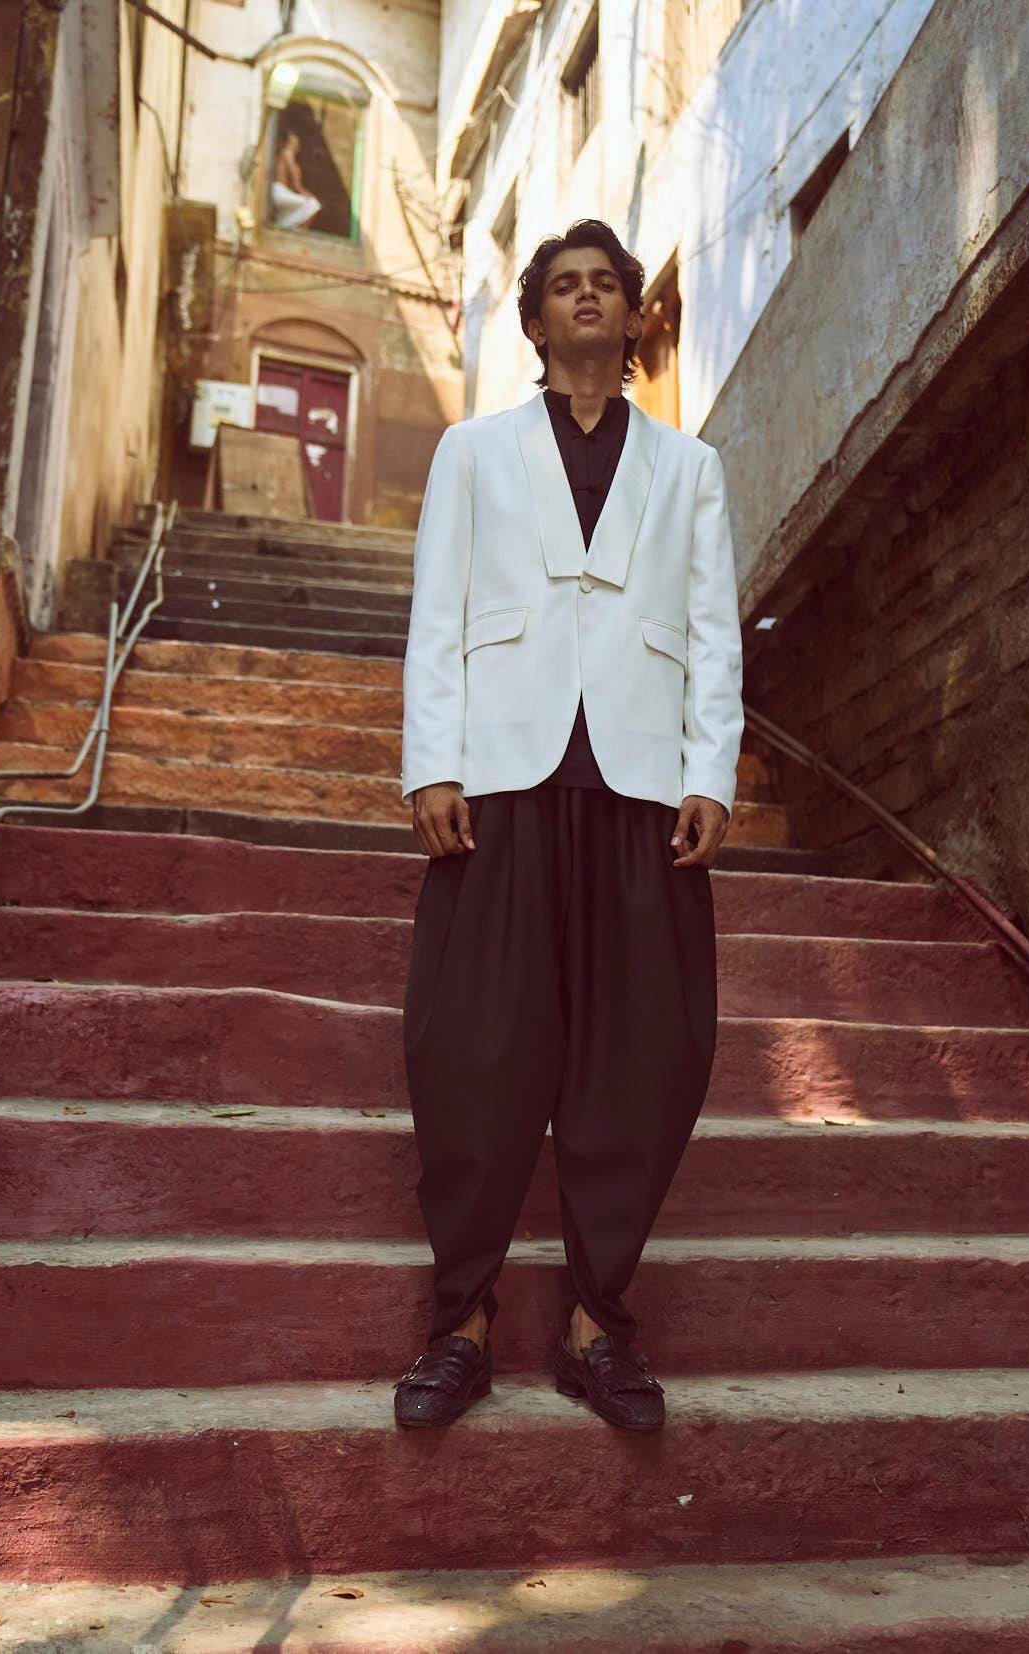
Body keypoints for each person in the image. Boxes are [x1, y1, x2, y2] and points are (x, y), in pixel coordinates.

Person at [395, 217, 744, 1432]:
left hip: (643, 790)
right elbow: (437, 611)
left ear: (633, 318)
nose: (585, 297)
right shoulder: (471, 453)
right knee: (471, 1048)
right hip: (499, 778)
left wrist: (710, 774)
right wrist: (431, 763)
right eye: (562, 285)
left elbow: (712, 632)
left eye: (605, 284)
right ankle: (460, 1322)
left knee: (644, 1053)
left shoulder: (688, 469)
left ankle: (598, 1322)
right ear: (536, 319)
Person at [269, 132, 321, 230]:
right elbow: (295, 182)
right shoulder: (288, 152)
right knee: (314, 204)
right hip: (279, 191)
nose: (297, 145)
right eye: (295, 142)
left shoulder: (282, 154)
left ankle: (284, 226)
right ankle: (300, 231)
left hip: (278, 191)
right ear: (289, 143)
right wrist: (307, 194)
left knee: (302, 206)